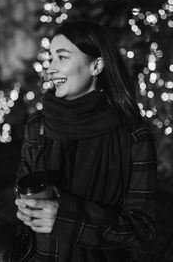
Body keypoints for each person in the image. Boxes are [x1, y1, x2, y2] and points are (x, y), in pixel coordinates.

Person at [15, 21, 156, 262]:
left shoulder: (133, 136)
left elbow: (141, 227)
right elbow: (23, 192)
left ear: (97, 65)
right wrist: (27, 208)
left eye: (62, 57)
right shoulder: (37, 126)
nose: (50, 68)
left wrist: (65, 217)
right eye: (50, 58)